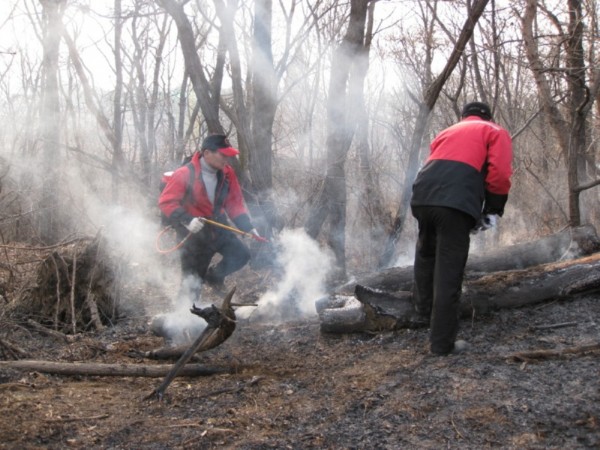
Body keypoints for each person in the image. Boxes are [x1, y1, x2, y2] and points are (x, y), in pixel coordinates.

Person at [410, 101, 513, 355]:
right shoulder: (494, 131)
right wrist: (492, 209)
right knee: (449, 270)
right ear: (488, 116)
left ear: (464, 116)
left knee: (426, 255)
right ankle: (441, 343)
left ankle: (421, 316)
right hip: (454, 204)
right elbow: (499, 174)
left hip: (422, 196)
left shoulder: (447, 131)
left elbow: (431, 163)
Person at [159, 134, 259, 305]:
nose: (227, 159)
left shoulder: (228, 174)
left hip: (218, 228)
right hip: (192, 235)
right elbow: (166, 202)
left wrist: (247, 227)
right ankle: (183, 321)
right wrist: (187, 220)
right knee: (191, 283)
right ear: (206, 153)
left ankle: (213, 277)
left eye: (228, 155)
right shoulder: (185, 173)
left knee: (241, 255)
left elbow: (234, 204)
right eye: (223, 154)